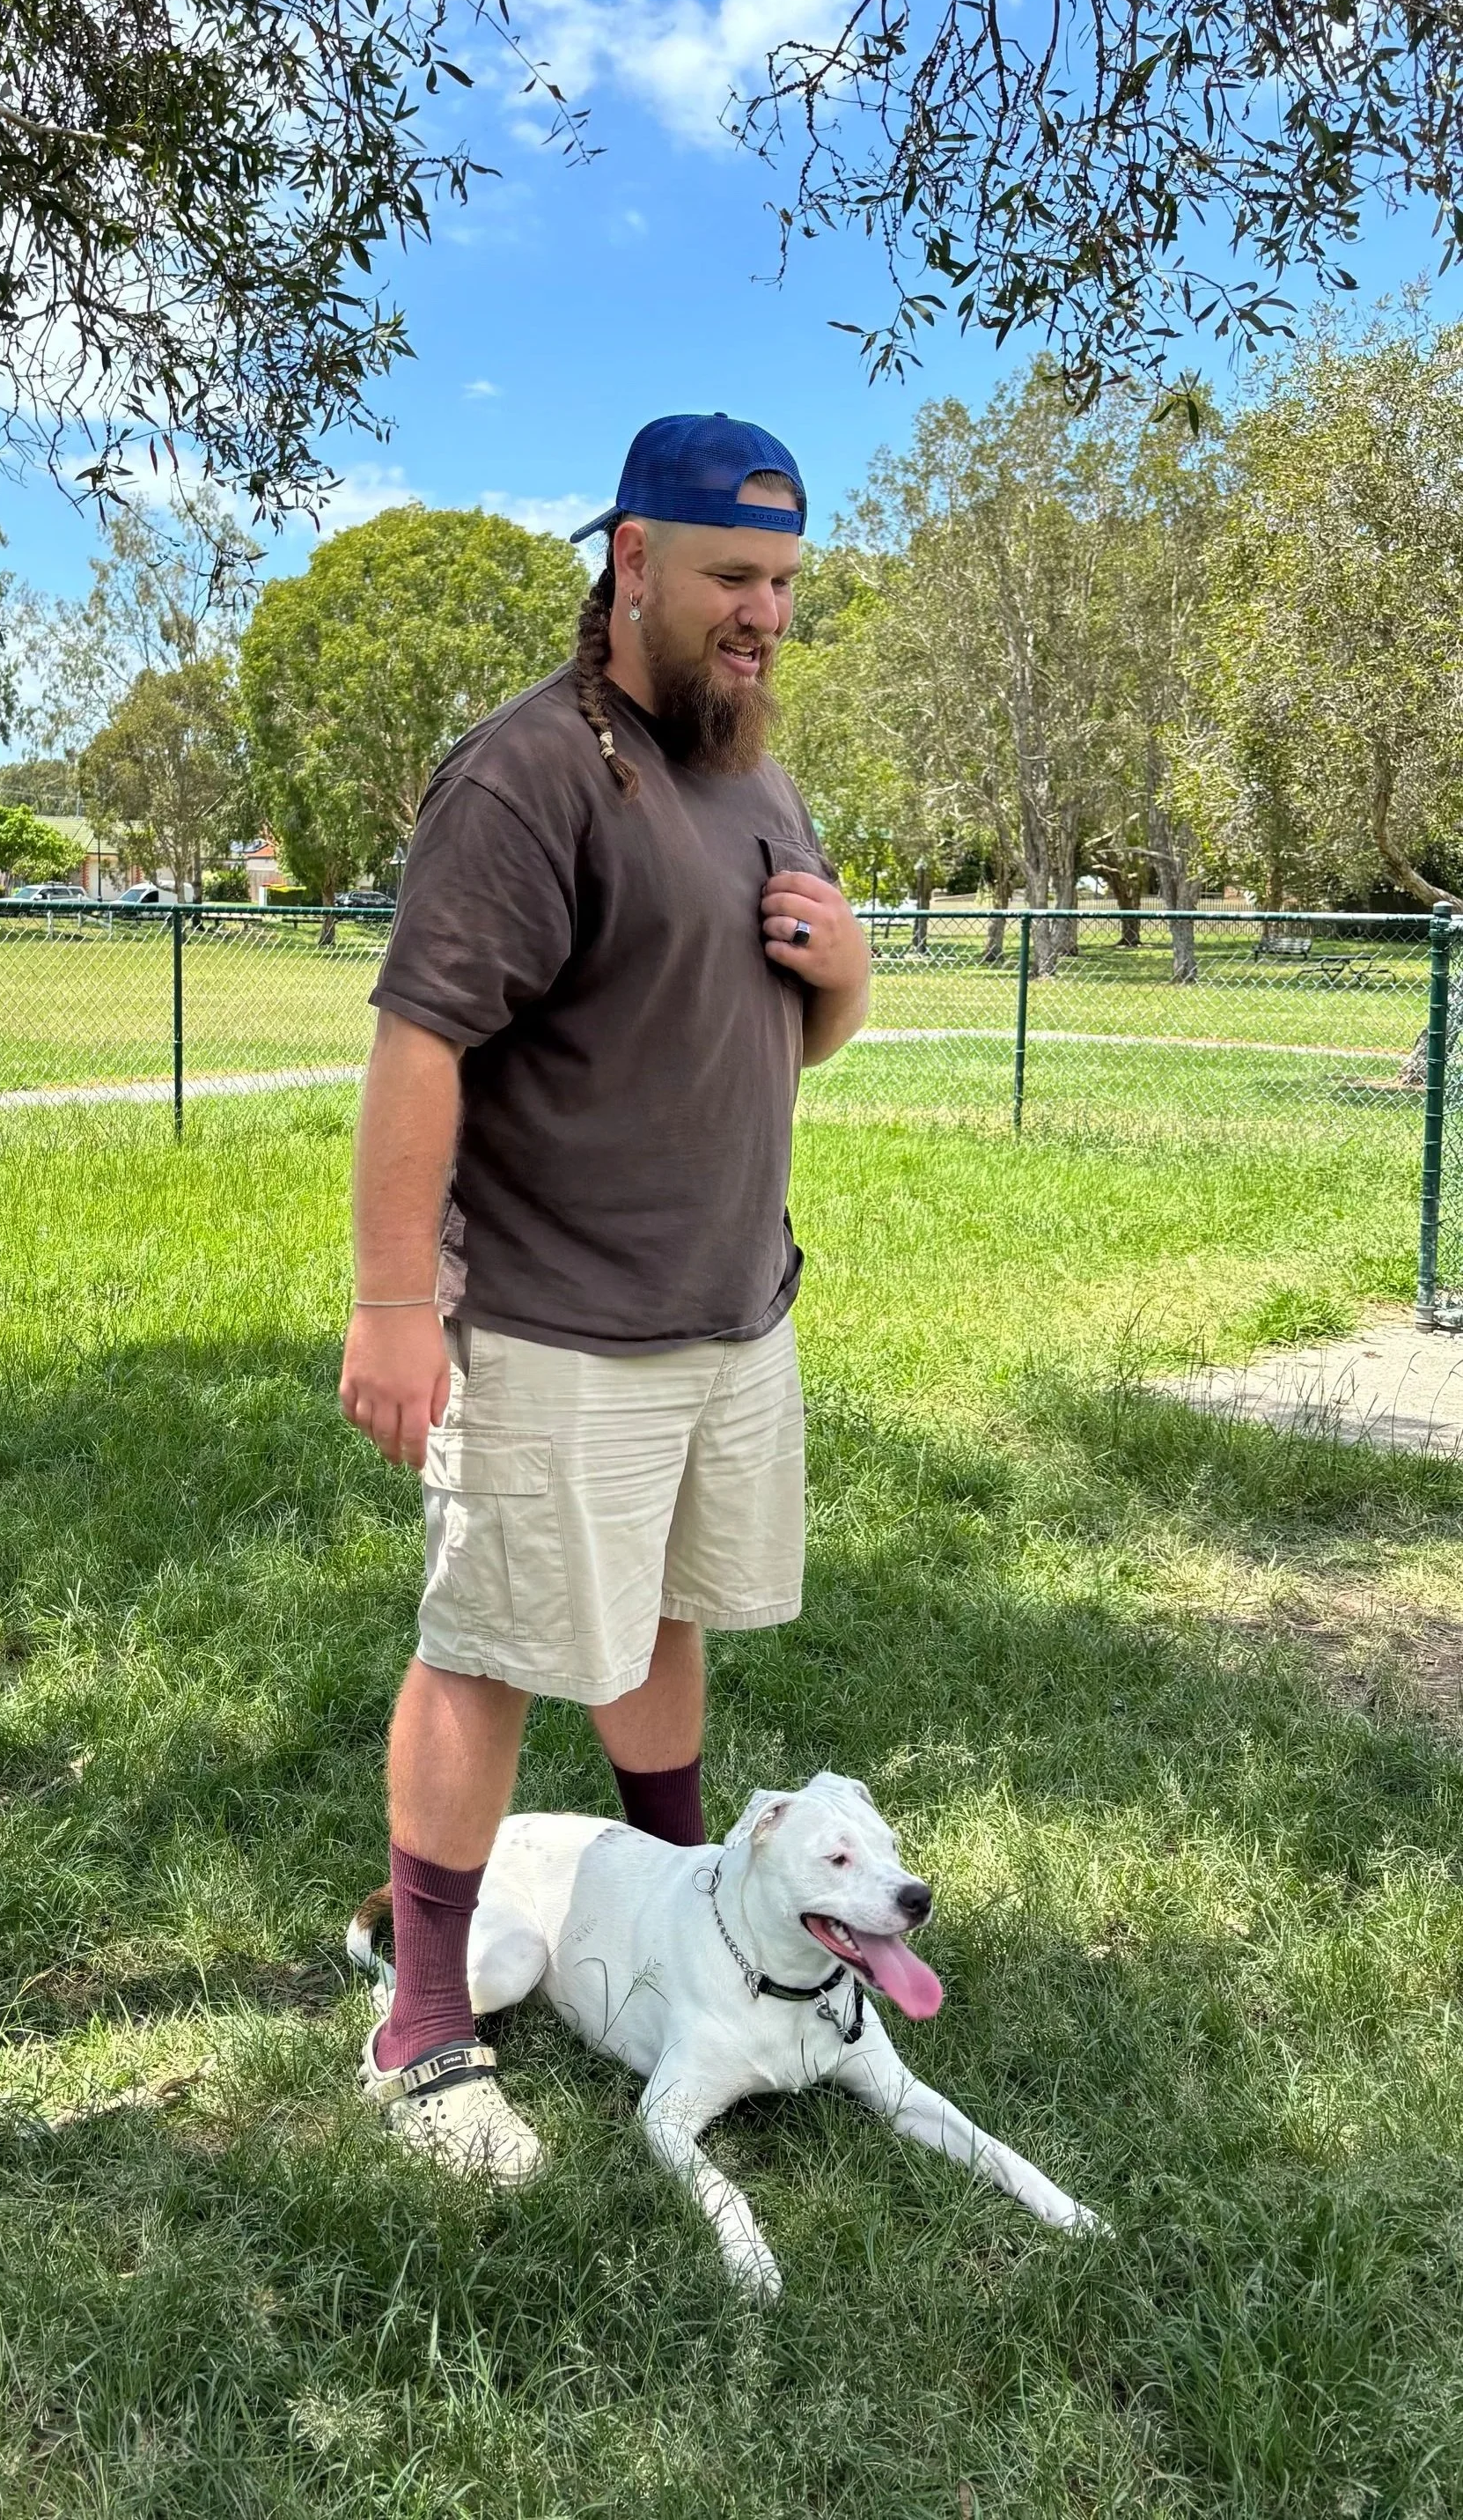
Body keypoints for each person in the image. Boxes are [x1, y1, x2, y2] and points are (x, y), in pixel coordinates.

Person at [340, 413, 872, 2180]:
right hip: (555, 1319)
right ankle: (420, 2011)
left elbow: (783, 1028)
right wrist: (392, 1299)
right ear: (627, 559)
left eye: (784, 582)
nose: (762, 615)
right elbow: (419, 1042)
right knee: (487, 1647)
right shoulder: (529, 772)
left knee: (667, 1621)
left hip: (730, 1310)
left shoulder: (753, 776)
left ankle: (683, 1911)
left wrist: (851, 974)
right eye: (731, 576)